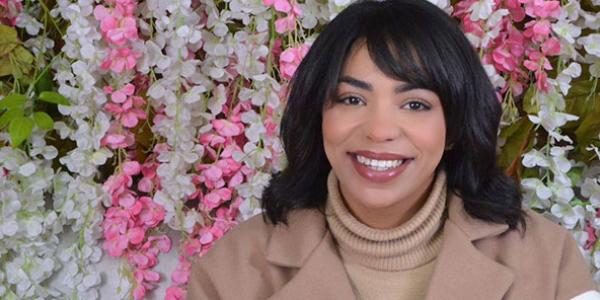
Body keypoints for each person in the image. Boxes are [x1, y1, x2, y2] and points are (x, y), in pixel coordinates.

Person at [186, 0, 600, 299]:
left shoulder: (547, 260)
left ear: (453, 126)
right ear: (318, 114)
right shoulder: (233, 270)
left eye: (415, 104)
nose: (380, 130)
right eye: (351, 99)